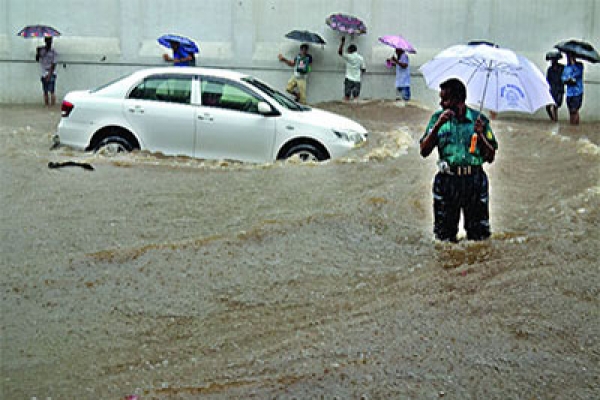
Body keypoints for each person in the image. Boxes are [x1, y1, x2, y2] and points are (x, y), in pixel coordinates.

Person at [420, 78, 498, 242]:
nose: (441, 104)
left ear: (458, 100)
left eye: (445, 99)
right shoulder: (437, 119)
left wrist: (481, 135)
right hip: (447, 180)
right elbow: (424, 151)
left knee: (479, 236)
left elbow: (490, 157)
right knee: (444, 237)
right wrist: (438, 125)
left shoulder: (479, 120)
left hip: (474, 181)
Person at [338, 37, 366, 102]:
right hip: (357, 80)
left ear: (350, 50)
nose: (347, 51)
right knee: (356, 98)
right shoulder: (361, 58)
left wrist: (342, 42)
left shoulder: (348, 56)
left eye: (348, 50)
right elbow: (364, 69)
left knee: (346, 97)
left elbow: (340, 52)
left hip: (349, 79)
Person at [561, 52, 584, 125]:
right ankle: (572, 125)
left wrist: (573, 64)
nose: (568, 58)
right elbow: (563, 77)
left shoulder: (579, 65)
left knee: (575, 110)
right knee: (570, 110)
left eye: (570, 57)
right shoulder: (566, 67)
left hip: (577, 91)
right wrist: (567, 80)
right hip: (569, 92)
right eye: (568, 57)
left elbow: (578, 73)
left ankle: (576, 125)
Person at [36, 37, 58, 107]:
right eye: (47, 41)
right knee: (45, 91)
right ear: (45, 41)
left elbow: (54, 64)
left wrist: (49, 75)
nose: (49, 43)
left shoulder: (54, 52)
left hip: (51, 72)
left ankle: (52, 106)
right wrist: (37, 52)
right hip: (43, 72)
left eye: (50, 41)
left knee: (52, 91)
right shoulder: (41, 50)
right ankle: (46, 106)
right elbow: (37, 59)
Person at [545, 52, 565, 122]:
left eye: (553, 60)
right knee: (548, 107)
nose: (552, 62)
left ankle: (555, 120)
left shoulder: (562, 68)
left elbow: (565, 77)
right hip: (552, 89)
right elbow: (547, 80)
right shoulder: (550, 70)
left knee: (556, 106)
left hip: (559, 89)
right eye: (551, 60)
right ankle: (553, 119)